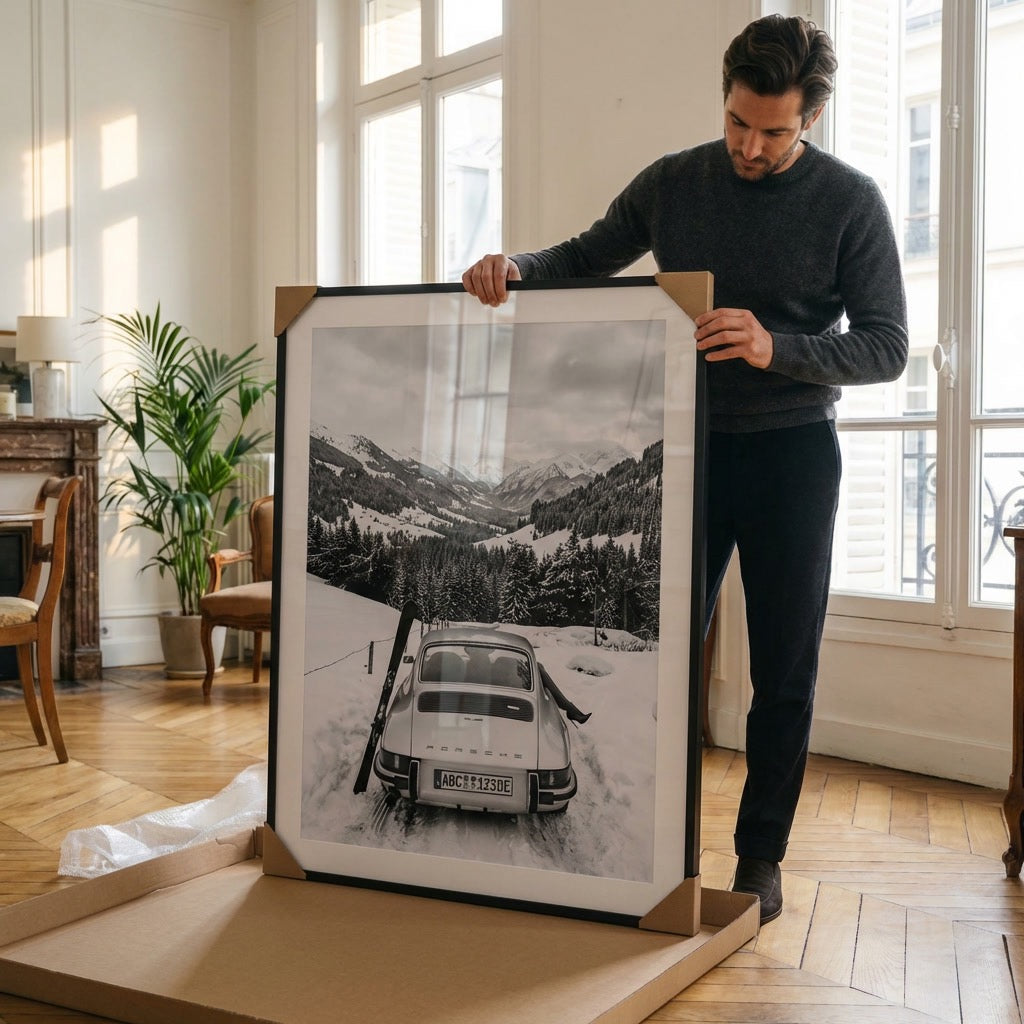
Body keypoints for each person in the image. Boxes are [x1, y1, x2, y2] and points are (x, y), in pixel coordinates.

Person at [462, 15, 908, 924]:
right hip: (688, 449)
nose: (749, 145)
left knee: (785, 666)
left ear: (811, 117)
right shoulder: (674, 182)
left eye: (772, 131)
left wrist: (774, 345)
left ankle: (760, 857)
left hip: (793, 454)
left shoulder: (851, 201)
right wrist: (516, 265)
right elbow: (584, 257)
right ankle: (657, 847)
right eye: (739, 121)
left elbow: (888, 346)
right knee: (665, 660)